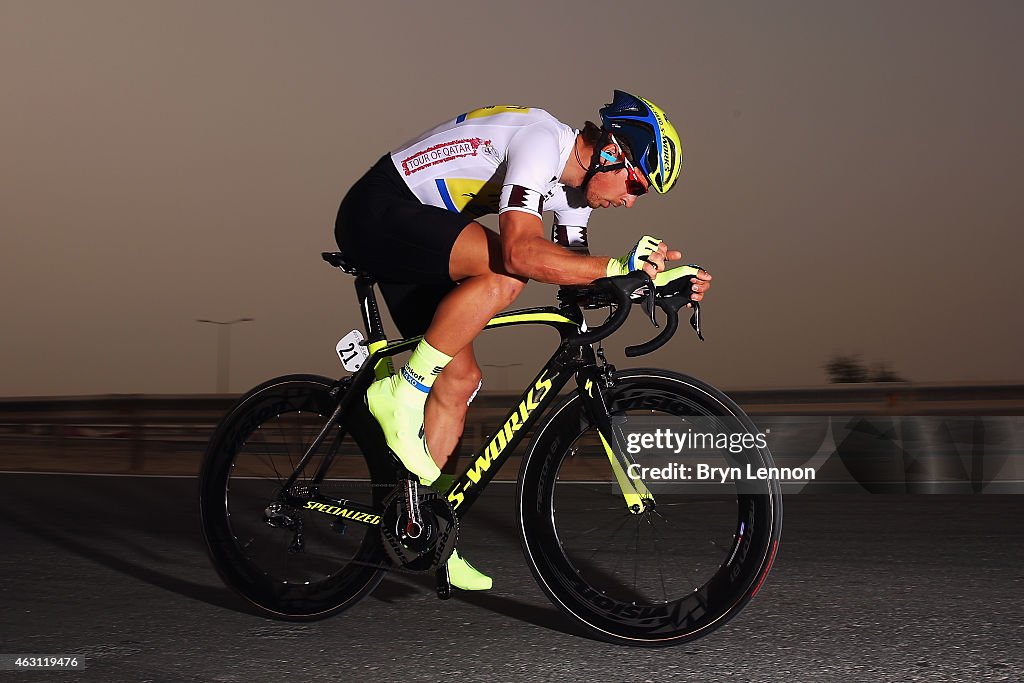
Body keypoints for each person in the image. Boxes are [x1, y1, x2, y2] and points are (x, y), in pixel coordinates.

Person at [335, 90, 712, 590]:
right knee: (507, 273)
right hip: (380, 210)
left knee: (461, 378)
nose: (629, 200)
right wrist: (620, 265)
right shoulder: (541, 140)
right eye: (636, 185)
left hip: (424, 236)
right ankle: (401, 390)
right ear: (612, 151)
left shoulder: (573, 200)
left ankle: (424, 530)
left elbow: (576, 279)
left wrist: (657, 283)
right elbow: (519, 254)